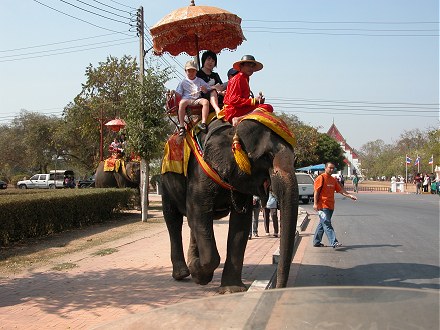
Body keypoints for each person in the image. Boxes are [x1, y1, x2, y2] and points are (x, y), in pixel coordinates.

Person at [313, 162, 357, 248]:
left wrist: (349, 195)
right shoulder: (321, 178)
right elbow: (316, 192)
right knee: (326, 223)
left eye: (333, 168)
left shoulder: (333, 180)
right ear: (325, 168)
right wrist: (315, 204)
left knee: (322, 224)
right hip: (322, 206)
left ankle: (316, 242)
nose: (331, 170)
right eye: (330, 168)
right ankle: (334, 242)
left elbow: (340, 190)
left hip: (330, 206)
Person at [220, 55, 273, 126]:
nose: (251, 68)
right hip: (233, 110)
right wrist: (254, 101)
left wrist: (257, 101)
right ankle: (239, 118)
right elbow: (233, 100)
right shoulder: (238, 78)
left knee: (266, 107)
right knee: (267, 107)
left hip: (239, 108)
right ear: (241, 66)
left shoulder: (245, 78)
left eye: (252, 66)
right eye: (248, 66)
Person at [175, 60, 214, 136]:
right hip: (187, 99)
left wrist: (204, 89)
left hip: (197, 99)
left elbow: (208, 89)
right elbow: (178, 94)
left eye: (193, 71)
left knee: (205, 102)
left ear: (196, 71)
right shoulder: (183, 82)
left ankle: (203, 123)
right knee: (182, 103)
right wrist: (174, 93)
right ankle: (182, 126)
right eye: (189, 71)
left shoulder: (199, 80)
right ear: (186, 71)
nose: (191, 73)